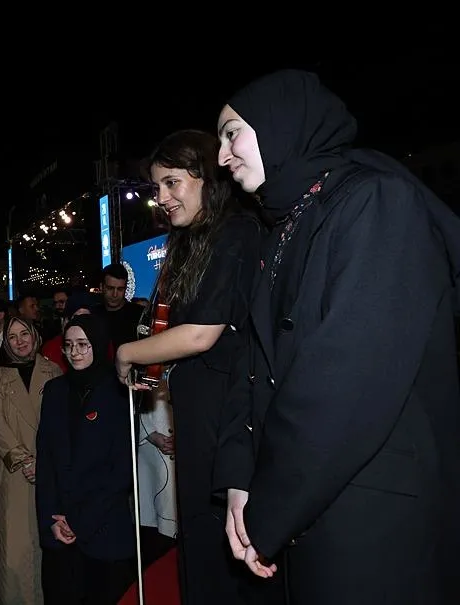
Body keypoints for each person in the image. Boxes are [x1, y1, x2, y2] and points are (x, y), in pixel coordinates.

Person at [214, 69, 460, 605]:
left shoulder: (377, 201)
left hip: (371, 517)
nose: (222, 156)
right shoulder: (284, 224)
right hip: (304, 502)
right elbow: (251, 362)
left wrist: (269, 508)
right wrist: (239, 477)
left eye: (231, 134)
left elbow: (345, 380)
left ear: (280, 123)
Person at [114, 130, 265, 604]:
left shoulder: (235, 232)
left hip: (230, 417)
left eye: (172, 183)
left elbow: (202, 333)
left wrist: (127, 353)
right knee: (200, 544)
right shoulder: (194, 240)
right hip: (202, 417)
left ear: (206, 179)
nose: (161, 198)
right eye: (157, 187)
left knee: (222, 552)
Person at [36, 314, 137, 604]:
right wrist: (51, 518)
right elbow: (46, 461)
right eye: (69, 345)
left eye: (83, 344)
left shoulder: (120, 392)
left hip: (103, 528)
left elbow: (122, 469)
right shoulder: (54, 391)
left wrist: (80, 522)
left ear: (99, 344)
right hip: (59, 528)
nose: (75, 352)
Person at [0, 316, 62, 605]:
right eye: (12, 337)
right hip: (13, 472)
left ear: (35, 335)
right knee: (13, 548)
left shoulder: (54, 371)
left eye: (24, 334)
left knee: (45, 544)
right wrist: (24, 460)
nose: (19, 341)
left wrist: (43, 461)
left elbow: (61, 423)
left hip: (48, 469)